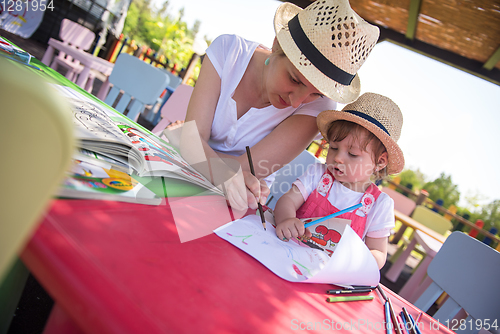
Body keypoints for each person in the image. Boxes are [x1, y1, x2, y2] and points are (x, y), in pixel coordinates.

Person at [179, 0, 380, 212]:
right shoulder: (229, 52)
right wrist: (192, 148)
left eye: (315, 93)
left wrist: (193, 148)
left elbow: (238, 167)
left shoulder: (320, 108)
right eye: (295, 80)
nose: (296, 102)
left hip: (228, 205)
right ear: (277, 45)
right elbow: (202, 153)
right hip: (183, 178)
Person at [274, 93, 405, 269]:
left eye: (352, 154)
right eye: (334, 148)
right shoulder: (318, 175)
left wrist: (362, 260)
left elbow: (379, 252)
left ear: (380, 162)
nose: (338, 158)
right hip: (286, 254)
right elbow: (288, 200)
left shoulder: (379, 205)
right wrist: (286, 219)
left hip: (330, 274)